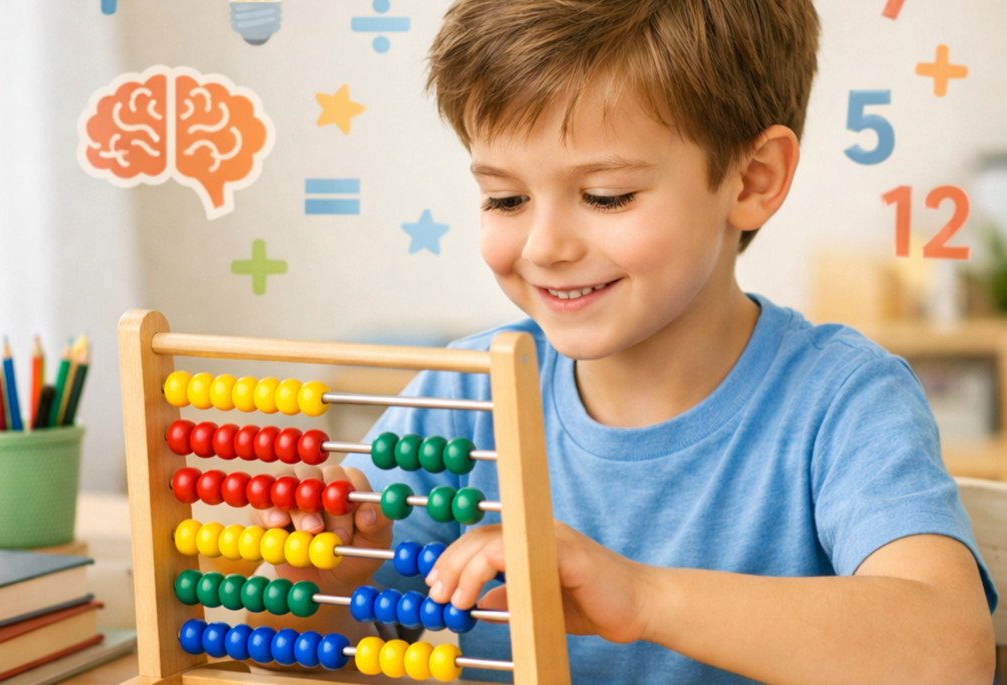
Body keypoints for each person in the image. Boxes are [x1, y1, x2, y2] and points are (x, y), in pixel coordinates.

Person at [256, 1, 997, 682]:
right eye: (504, 198)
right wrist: (313, 571)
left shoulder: (841, 400)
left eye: (604, 196)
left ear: (752, 179)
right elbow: (309, 655)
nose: (544, 245)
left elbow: (949, 653)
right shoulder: (464, 397)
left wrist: (641, 596)